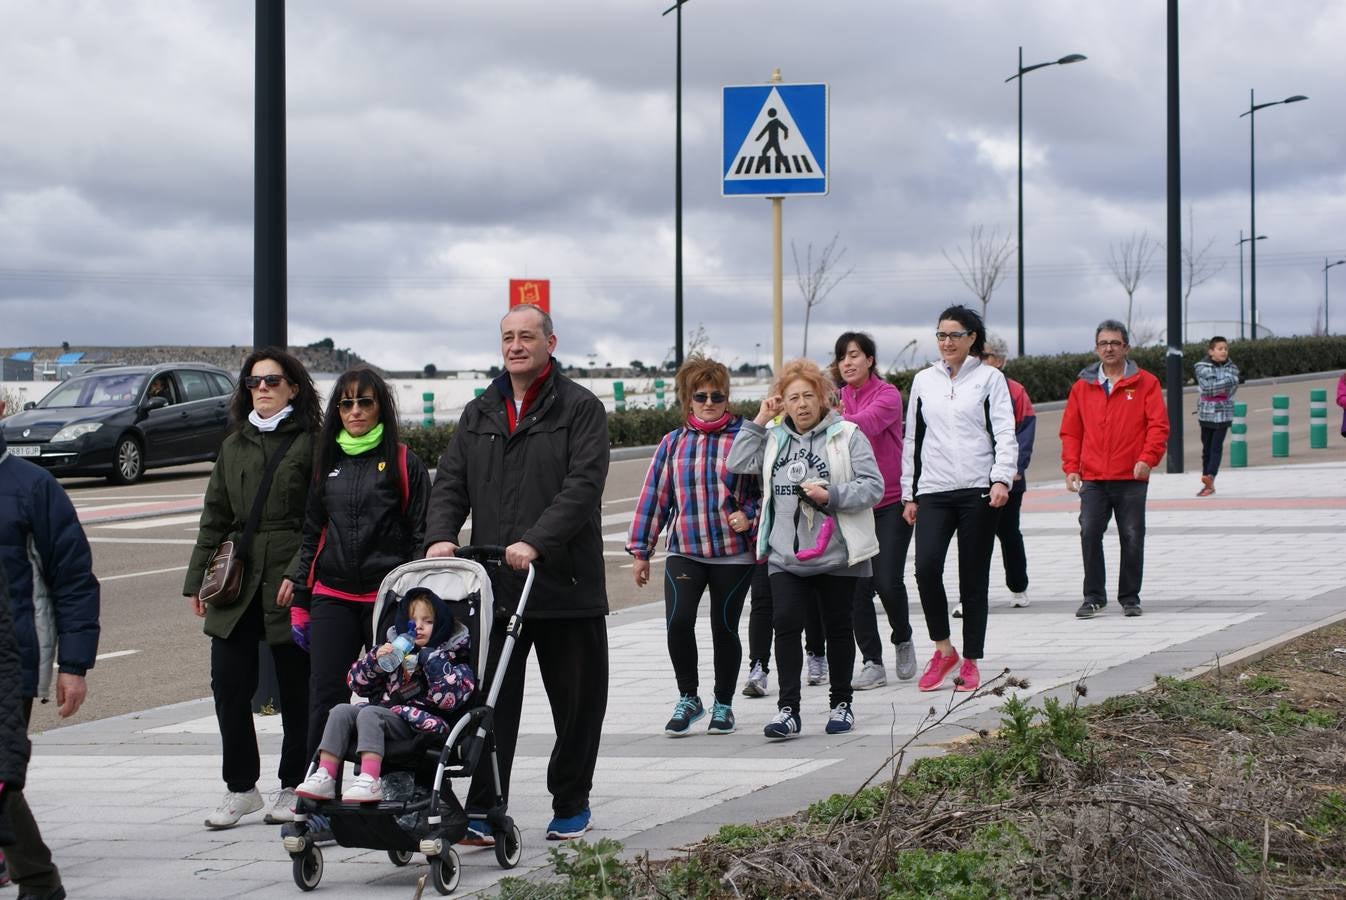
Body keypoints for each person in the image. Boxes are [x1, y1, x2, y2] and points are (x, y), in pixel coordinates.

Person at [425, 303, 609, 842]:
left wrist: (536, 541)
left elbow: (582, 487)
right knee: (489, 702)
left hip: (563, 583)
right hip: (495, 587)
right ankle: (484, 806)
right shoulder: (480, 411)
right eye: (508, 337)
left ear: (551, 343)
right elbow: (451, 481)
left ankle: (571, 800)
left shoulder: (580, 408)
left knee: (576, 702)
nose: (516, 345)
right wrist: (440, 536)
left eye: (527, 336)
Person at [184, 348, 320, 829]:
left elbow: (319, 519)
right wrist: (198, 581)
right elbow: (214, 516)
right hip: (239, 576)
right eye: (253, 382)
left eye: (272, 381)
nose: (261, 388)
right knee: (228, 685)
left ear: (293, 387)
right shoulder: (233, 444)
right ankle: (241, 788)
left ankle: (292, 783)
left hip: (289, 573)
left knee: (297, 688)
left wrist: (299, 574)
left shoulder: (312, 442)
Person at [728, 359, 884, 740]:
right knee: (785, 628)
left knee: (838, 630)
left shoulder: (846, 435)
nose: (801, 405)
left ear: (823, 398)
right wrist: (762, 416)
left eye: (808, 396)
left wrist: (831, 494)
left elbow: (873, 486)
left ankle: (841, 704)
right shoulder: (774, 438)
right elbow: (736, 462)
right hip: (785, 555)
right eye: (793, 397)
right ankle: (788, 710)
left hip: (837, 553)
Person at [287, 367, 430, 767]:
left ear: (380, 407)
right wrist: (301, 601)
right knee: (325, 697)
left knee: (398, 695)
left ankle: (398, 788)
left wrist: (415, 608)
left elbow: (421, 536)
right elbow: (312, 535)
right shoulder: (325, 462)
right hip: (332, 596)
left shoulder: (403, 462)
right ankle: (318, 797)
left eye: (364, 402)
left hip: (387, 601)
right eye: (346, 403)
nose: (354, 411)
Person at [626, 356, 761, 737]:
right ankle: (689, 697)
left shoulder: (746, 437)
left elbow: (766, 490)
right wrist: (641, 550)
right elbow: (655, 496)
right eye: (700, 396)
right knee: (679, 621)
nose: (709, 402)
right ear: (688, 399)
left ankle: (723, 704)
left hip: (733, 554)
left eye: (717, 395)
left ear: (727, 397)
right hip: (685, 549)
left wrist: (749, 515)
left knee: (725, 628)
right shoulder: (673, 443)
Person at [1, 397, 101, 900]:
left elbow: (74, 580)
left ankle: (38, 882)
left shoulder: (32, 487)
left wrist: (74, 663)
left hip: (11, 658)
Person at [900, 306, 1017, 694]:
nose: (946, 342)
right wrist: (909, 491)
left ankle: (971, 659)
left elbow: (1004, 431)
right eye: (940, 335)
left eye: (954, 335)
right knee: (926, 568)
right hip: (933, 489)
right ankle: (943, 649)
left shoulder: (990, 379)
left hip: (978, 491)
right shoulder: (923, 381)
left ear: (972, 339)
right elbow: (913, 439)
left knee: (973, 577)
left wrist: (1001, 478)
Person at [294, 588, 474, 804]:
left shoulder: (453, 661)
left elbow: (448, 700)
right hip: (389, 715)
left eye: (427, 621)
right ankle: (326, 775)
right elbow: (356, 684)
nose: (418, 626)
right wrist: (375, 662)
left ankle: (369, 778)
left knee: (371, 713)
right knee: (341, 710)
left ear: (441, 625)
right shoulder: (394, 652)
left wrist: (432, 660)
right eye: (412, 621)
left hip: (423, 723)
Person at [1060, 319, 1169, 619]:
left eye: (1115, 343)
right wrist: (1072, 467)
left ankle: (1130, 597)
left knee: (1132, 535)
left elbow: (1158, 427)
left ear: (1126, 348)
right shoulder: (1083, 386)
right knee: (1089, 532)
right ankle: (1094, 596)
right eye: (1103, 343)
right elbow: (1071, 431)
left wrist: (1147, 458)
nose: (1109, 348)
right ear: (1096, 348)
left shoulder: (1146, 383)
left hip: (1132, 476)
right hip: (1093, 478)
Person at [832, 332, 917, 690]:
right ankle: (871, 661)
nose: (848, 363)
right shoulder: (837, 399)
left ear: (870, 360)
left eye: (855, 355)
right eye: (842, 358)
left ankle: (903, 637)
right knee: (857, 588)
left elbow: (859, 427)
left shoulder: (887, 396)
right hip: (853, 504)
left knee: (886, 580)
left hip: (890, 501)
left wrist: (831, 418)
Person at [979, 334, 1037, 609]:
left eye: (985, 356)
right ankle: (973, 596)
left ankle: (1018, 587)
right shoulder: (966, 388)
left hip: (1008, 478)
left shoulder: (1015, 391)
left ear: (999, 362)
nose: (978, 361)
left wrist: (1016, 467)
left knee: (1009, 533)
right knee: (974, 539)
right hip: (973, 477)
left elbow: (1025, 430)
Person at [1194, 337, 1239, 497]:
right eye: (1220, 349)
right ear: (1211, 351)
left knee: (1216, 447)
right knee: (1206, 448)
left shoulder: (1232, 367)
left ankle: (1210, 476)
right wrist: (1227, 382)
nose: (1224, 351)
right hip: (1206, 412)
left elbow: (1231, 389)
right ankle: (1207, 482)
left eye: (1226, 348)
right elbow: (1207, 389)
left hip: (1224, 411)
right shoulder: (1201, 367)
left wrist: (1220, 385)